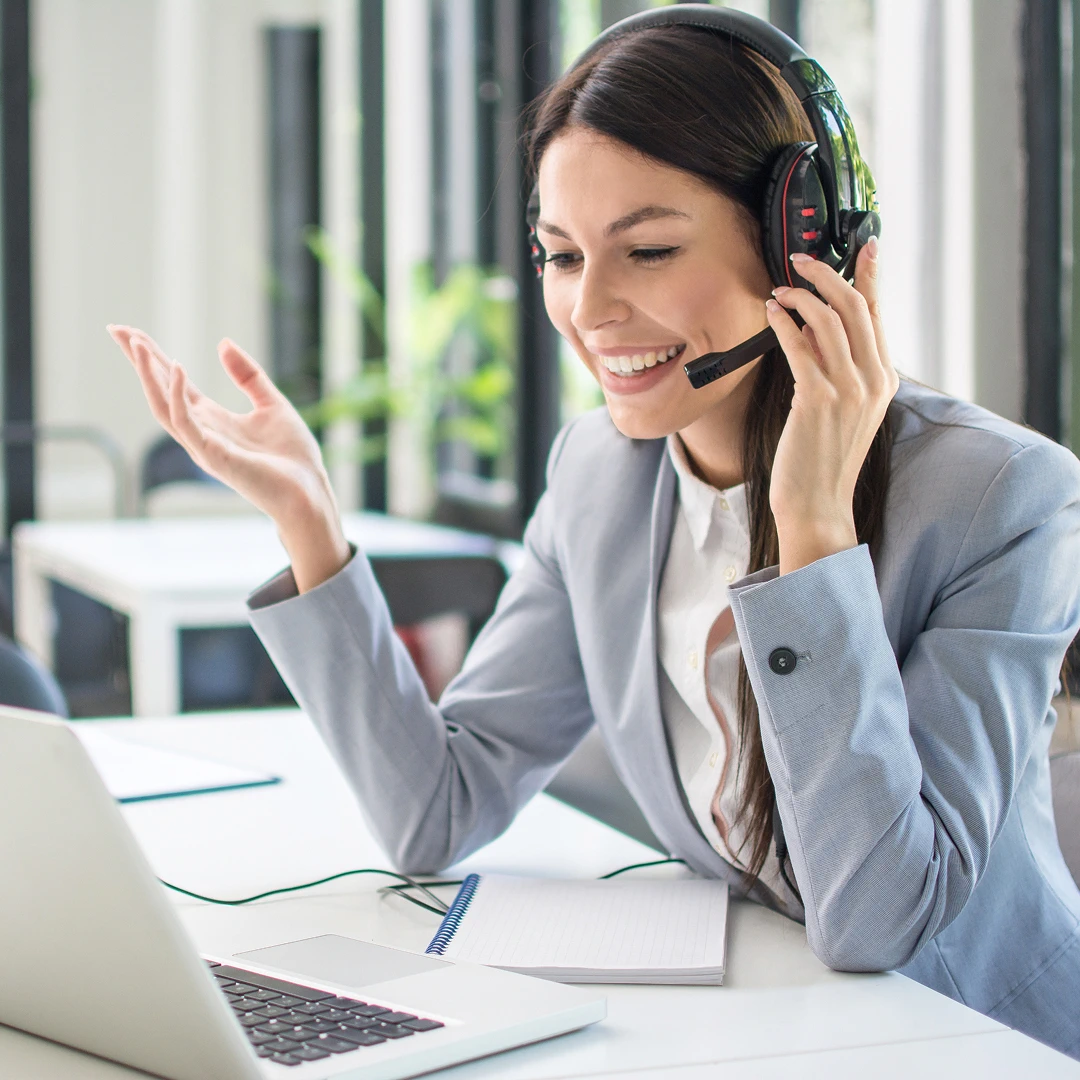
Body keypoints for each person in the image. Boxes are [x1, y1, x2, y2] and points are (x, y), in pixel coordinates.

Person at [109, 10, 1080, 1059]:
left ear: (801, 244)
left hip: (970, 1041)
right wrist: (310, 521)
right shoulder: (600, 477)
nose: (590, 308)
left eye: (648, 250)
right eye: (560, 256)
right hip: (763, 1022)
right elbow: (438, 809)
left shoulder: (1000, 498)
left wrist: (810, 533)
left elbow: (880, 924)